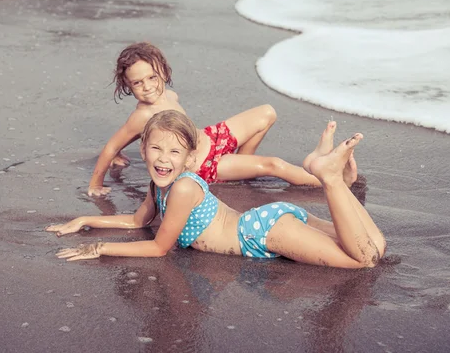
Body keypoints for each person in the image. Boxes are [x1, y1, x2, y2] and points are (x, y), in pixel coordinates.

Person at [48, 110, 385, 269]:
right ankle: (326, 173)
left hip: (262, 234)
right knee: (375, 246)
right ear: (143, 149)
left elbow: (159, 247)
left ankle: (330, 178)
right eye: (156, 149)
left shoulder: (181, 190)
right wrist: (85, 220)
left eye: (175, 152)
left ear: (190, 158)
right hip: (268, 221)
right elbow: (137, 221)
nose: (163, 160)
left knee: (365, 261)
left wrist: (100, 249)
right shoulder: (158, 186)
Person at [87, 42, 361, 197]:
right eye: (137, 83)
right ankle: (331, 180)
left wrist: (120, 155)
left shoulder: (170, 95)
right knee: (274, 165)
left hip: (212, 136)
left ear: (162, 71)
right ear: (127, 85)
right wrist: (96, 184)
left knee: (267, 112)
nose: (147, 87)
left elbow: (122, 146)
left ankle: (242, 170)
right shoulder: (142, 115)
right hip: (205, 164)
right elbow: (113, 144)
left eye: (151, 78)